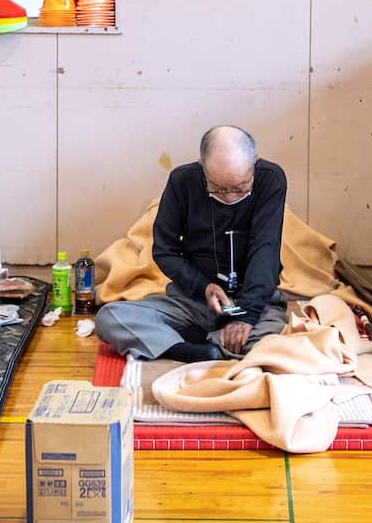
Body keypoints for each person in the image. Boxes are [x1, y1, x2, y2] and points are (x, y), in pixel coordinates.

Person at [96, 125, 289, 362]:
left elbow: (265, 251)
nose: (229, 197)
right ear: (202, 165)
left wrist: (245, 317)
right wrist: (203, 287)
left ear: (254, 162)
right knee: (109, 318)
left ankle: (188, 345)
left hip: (254, 305)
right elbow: (164, 251)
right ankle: (196, 352)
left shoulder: (270, 179)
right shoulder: (182, 181)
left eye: (240, 188)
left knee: (273, 343)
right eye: (217, 189)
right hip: (194, 304)